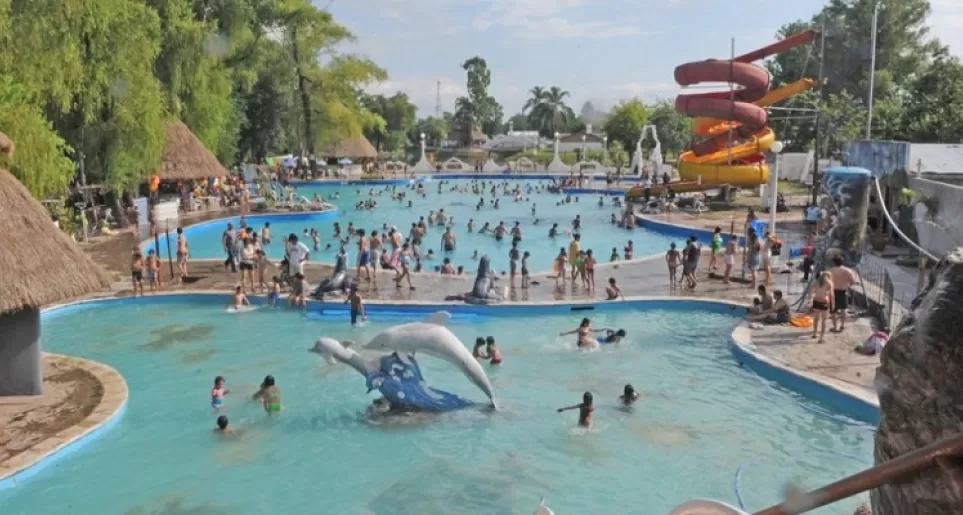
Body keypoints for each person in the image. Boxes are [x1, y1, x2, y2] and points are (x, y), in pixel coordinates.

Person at [828, 257, 859, 332]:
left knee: (833, 311)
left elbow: (826, 281)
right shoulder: (848, 271)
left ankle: (834, 327)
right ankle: (842, 325)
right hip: (843, 291)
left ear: (834, 263)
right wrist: (849, 285)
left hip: (833, 292)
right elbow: (853, 281)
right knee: (843, 310)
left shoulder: (830, 271)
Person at [811, 272, 834, 343]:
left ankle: (814, 333)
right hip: (824, 301)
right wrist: (833, 304)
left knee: (816, 318)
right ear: (828, 276)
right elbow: (832, 295)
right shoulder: (829, 283)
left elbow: (812, 291)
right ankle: (821, 337)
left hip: (816, 300)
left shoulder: (816, 282)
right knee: (824, 320)